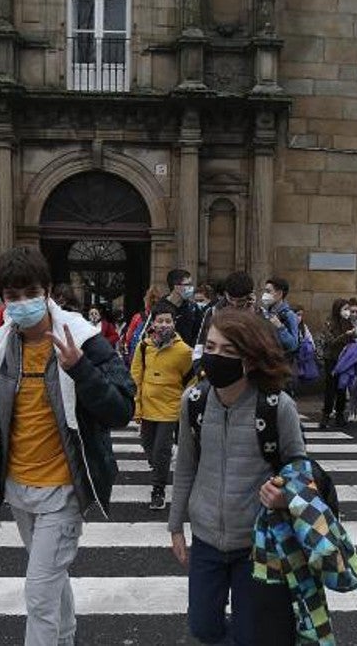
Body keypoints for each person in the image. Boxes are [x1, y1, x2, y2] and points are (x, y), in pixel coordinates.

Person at [0, 246, 134, 646]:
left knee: (39, 592)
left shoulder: (83, 340)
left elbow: (121, 409)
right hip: (19, 490)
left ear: (47, 291)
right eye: (12, 296)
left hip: (62, 491)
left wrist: (80, 369)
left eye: (30, 292)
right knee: (51, 581)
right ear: (2, 299)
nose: (22, 302)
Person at [168, 308, 301, 645]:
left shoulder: (276, 406)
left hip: (256, 543)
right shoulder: (194, 402)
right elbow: (185, 465)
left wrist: (285, 494)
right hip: (206, 538)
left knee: (249, 634)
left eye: (229, 351)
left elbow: (299, 468)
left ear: (251, 358)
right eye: (210, 348)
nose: (216, 358)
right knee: (203, 627)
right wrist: (175, 525)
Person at [130, 303, 193, 510]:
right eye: (160, 321)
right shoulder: (143, 346)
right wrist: (136, 405)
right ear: (153, 322)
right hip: (147, 407)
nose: (164, 325)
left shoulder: (184, 351)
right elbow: (135, 377)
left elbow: (191, 379)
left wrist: (184, 403)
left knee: (161, 451)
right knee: (148, 446)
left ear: (174, 323)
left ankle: (158, 489)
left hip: (170, 409)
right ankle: (159, 467)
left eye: (168, 321)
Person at [193, 271, 255, 361]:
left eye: (240, 301)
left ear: (250, 295)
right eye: (231, 299)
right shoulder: (213, 312)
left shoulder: (258, 314)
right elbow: (200, 344)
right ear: (225, 293)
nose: (235, 304)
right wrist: (198, 365)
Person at [319, 298, 357, 427]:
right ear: (338, 310)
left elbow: (353, 340)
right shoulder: (329, 322)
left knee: (342, 387)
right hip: (331, 359)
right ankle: (326, 414)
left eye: (348, 309)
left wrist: (352, 336)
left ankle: (340, 414)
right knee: (330, 388)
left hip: (344, 359)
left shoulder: (348, 323)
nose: (347, 312)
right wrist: (345, 335)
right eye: (345, 309)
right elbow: (331, 341)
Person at [155, 268, 202, 347]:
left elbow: (199, 334)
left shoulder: (193, 309)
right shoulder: (159, 308)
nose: (191, 288)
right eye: (187, 285)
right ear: (176, 287)